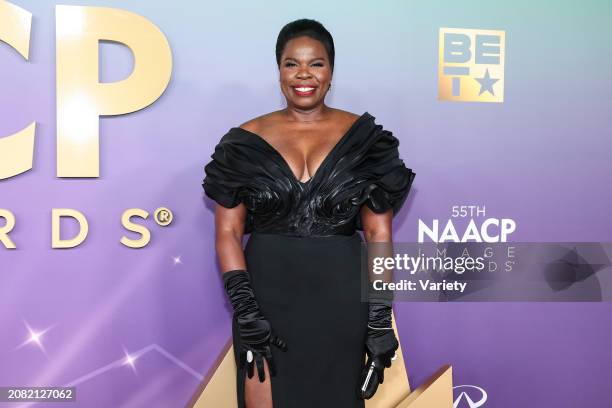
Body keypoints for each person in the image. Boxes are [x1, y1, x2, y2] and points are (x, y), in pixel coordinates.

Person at [202, 18, 415, 408]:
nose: (304, 74)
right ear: (279, 71)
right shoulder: (243, 143)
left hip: (341, 303)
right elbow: (228, 233)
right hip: (265, 302)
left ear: (331, 72)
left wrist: (380, 318)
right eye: (291, 63)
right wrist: (246, 309)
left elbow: (380, 236)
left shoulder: (366, 142)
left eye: (316, 63)